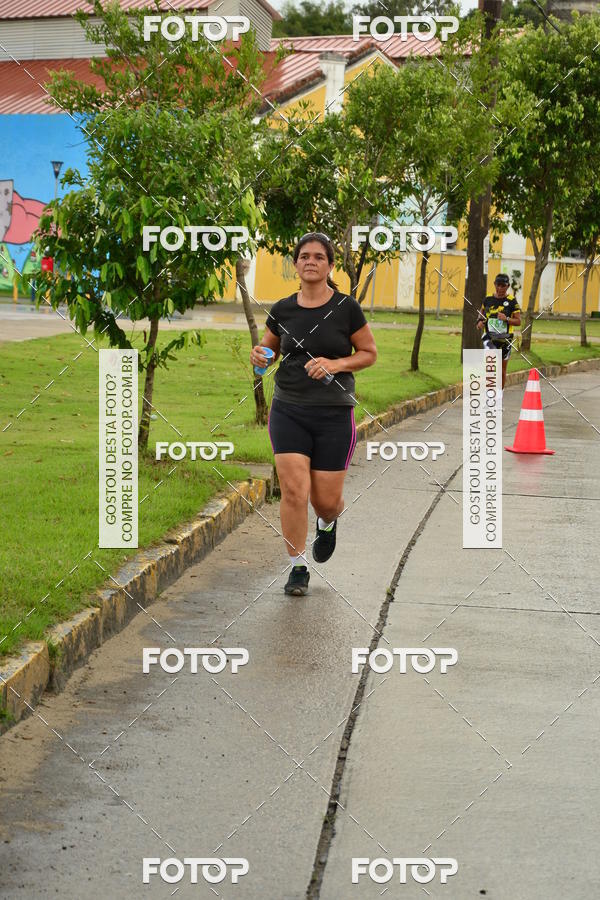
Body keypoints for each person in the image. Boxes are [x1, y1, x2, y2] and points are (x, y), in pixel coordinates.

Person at [249, 232, 377, 596]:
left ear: (329, 265)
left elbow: (368, 353)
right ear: (296, 264)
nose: (310, 261)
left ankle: (327, 521)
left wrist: (335, 364)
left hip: (334, 415)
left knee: (325, 500)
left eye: (319, 257)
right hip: (289, 409)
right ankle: (297, 567)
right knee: (293, 490)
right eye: (304, 255)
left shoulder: (347, 308)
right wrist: (259, 359)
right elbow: (266, 354)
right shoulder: (283, 309)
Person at [476, 273, 521, 403]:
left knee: (501, 369)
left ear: (507, 286)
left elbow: (518, 321)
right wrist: (479, 322)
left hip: (505, 339)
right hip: (489, 338)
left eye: (503, 286)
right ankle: (489, 396)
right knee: (490, 367)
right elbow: (481, 314)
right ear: (494, 284)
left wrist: (506, 318)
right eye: (498, 285)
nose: (500, 288)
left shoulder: (512, 301)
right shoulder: (488, 299)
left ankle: (499, 396)